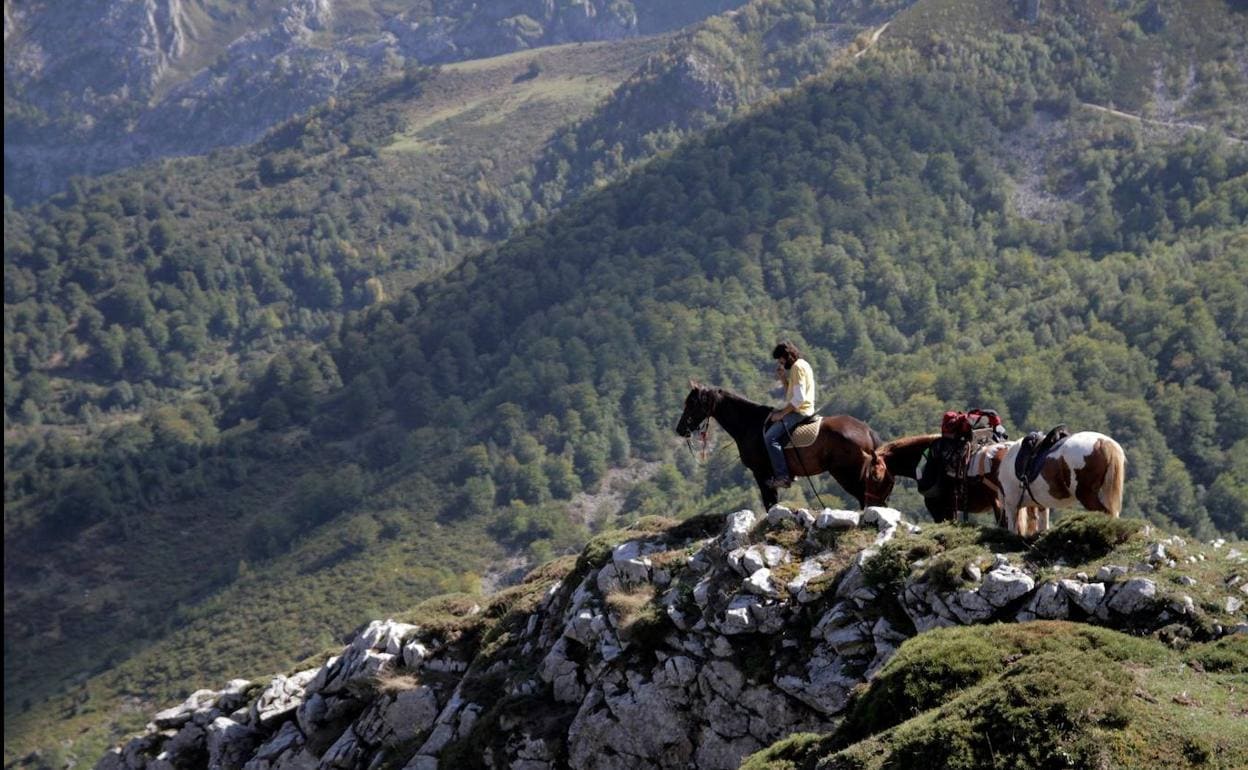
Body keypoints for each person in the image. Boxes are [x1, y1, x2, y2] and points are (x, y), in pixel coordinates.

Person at [764, 341, 816, 488]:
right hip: (802, 409)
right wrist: (782, 378)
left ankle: (783, 476)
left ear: (787, 356)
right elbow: (791, 393)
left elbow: (798, 399)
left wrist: (781, 414)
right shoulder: (803, 364)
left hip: (800, 411)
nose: (780, 362)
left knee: (770, 438)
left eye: (780, 358)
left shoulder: (797, 368)